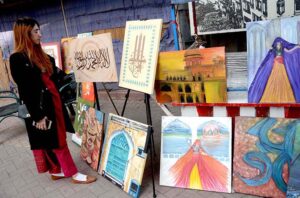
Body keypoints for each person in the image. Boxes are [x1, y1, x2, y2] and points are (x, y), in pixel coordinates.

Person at [9, 17, 97, 184]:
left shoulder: (41, 54)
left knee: (56, 138)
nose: (40, 34)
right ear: (25, 33)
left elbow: (58, 75)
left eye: (39, 30)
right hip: (42, 109)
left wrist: (80, 74)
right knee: (57, 141)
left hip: (55, 103)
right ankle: (74, 174)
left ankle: (57, 171)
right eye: (36, 31)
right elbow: (25, 91)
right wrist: (38, 116)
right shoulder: (17, 59)